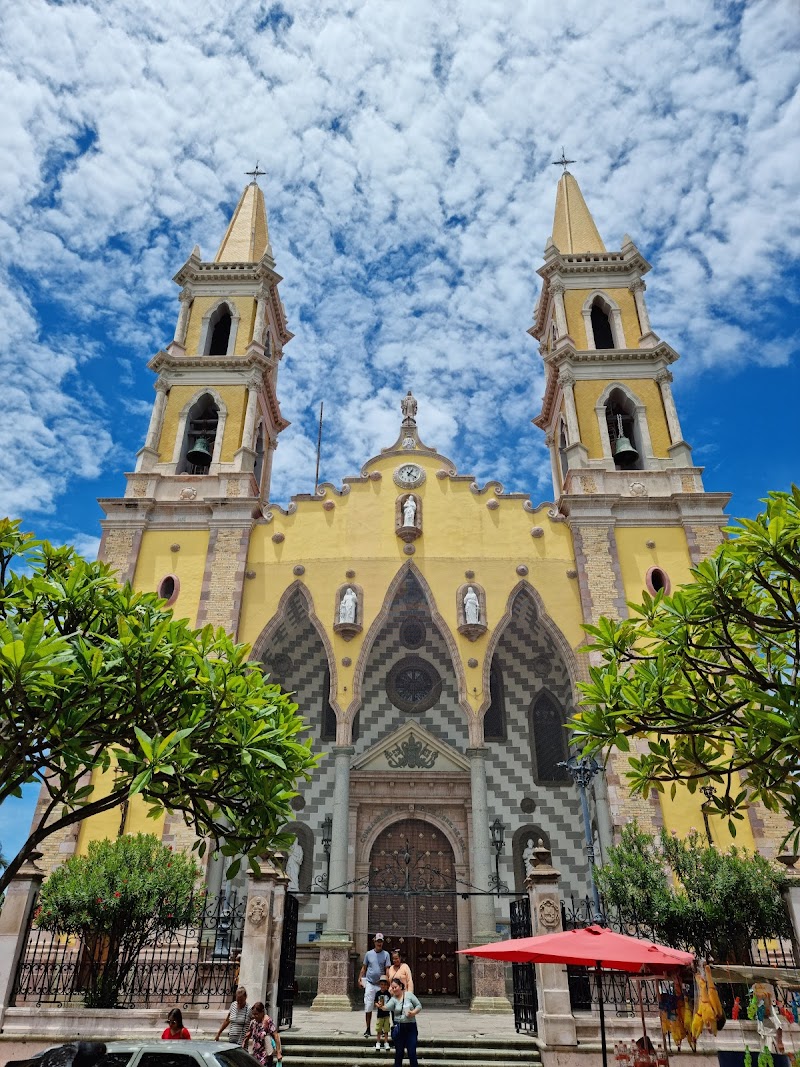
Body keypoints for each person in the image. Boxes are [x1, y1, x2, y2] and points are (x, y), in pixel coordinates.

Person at [359, 932, 391, 1038]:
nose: (379, 943)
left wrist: (387, 983)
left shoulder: (386, 954)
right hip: (370, 983)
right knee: (368, 1005)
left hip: (381, 985)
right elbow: (364, 967)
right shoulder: (369, 954)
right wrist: (360, 978)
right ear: (374, 941)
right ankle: (368, 1028)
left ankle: (381, 1029)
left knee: (381, 1007)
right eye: (378, 941)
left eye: (381, 941)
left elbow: (387, 969)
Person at [384, 977, 422, 1067]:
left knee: (412, 1052)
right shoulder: (393, 999)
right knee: (399, 1052)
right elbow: (387, 1007)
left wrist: (413, 1013)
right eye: (392, 988)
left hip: (410, 1027)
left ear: (400, 986)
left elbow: (419, 1005)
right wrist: (381, 1006)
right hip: (399, 1027)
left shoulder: (409, 995)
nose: (394, 989)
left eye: (395, 987)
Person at [242, 1001, 282, 1066]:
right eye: (253, 1014)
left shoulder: (267, 1022)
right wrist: (243, 1045)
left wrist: (278, 1052)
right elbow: (248, 1035)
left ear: (262, 1012)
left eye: (256, 1014)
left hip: (265, 1056)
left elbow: (276, 1036)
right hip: (255, 1055)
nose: (255, 1016)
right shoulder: (253, 1022)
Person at [374, 976, 392, 1052]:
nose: (383, 986)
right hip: (380, 1014)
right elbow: (375, 1002)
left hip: (386, 1014)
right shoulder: (377, 993)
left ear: (387, 986)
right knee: (379, 1029)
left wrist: (387, 1006)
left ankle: (386, 1042)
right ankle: (378, 1042)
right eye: (381, 984)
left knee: (386, 1030)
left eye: (384, 985)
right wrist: (378, 1005)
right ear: (380, 985)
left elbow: (391, 1003)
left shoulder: (388, 994)